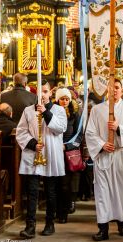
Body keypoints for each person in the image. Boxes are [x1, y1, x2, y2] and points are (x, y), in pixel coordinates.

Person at [85, 79, 123, 241]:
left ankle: (121, 222)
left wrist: (119, 129)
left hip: (121, 155)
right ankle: (103, 228)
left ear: (122, 90)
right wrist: (102, 144)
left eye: (117, 87)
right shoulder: (97, 110)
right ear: (106, 90)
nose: (114, 90)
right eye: (111, 87)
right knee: (103, 193)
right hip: (103, 155)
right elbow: (90, 133)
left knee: (121, 190)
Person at [16, 81, 67, 238]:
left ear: (50, 92)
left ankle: (49, 223)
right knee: (32, 191)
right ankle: (30, 225)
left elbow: (60, 128)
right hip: (34, 154)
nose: (43, 94)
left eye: (45, 91)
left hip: (51, 153)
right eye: (40, 91)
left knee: (50, 192)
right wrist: (32, 144)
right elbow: (21, 131)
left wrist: (46, 112)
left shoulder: (59, 110)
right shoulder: (28, 111)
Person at [54, 88, 83, 223]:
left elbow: (78, 135)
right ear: (57, 100)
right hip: (54, 151)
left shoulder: (75, 115)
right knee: (55, 184)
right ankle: (55, 210)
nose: (64, 101)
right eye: (62, 99)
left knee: (65, 184)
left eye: (66, 99)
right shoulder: (53, 112)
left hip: (68, 153)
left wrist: (67, 146)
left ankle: (63, 213)